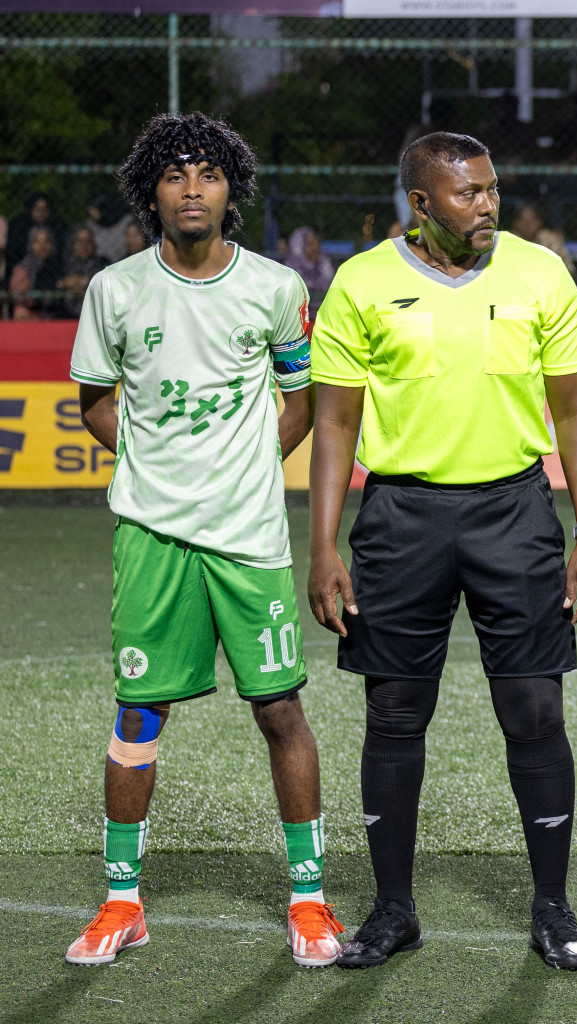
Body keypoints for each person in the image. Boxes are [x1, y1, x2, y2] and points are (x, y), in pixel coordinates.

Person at [307, 131, 577, 971]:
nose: (486, 205)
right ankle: (394, 909)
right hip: (400, 517)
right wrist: (323, 545)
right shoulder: (362, 283)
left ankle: (552, 906)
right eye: (467, 193)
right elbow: (334, 425)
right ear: (420, 202)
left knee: (535, 712)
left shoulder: (539, 272)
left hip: (515, 511)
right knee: (395, 714)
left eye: (490, 189)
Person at [63, 112, 338, 968]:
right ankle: (121, 901)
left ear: (231, 192)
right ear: (151, 190)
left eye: (208, 174)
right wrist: (156, 465)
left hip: (248, 536)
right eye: (175, 174)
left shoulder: (273, 288)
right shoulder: (114, 291)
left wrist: (250, 463)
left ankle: (310, 901)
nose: (191, 188)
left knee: (280, 707)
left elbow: (301, 399)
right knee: (139, 711)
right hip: (151, 535)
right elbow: (96, 403)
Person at [9, 225, 63, 319]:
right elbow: (17, 297)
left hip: (54, 310)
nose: (43, 246)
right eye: (38, 242)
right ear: (32, 244)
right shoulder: (23, 268)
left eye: (46, 241)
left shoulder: (58, 265)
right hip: (31, 310)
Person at [6, 191, 64, 274]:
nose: (41, 213)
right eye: (38, 209)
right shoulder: (19, 227)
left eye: (45, 209)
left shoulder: (56, 227)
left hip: (50, 267)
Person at [511, 202, 576, 275]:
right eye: (523, 220)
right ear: (515, 223)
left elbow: (568, 270)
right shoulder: (509, 242)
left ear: (539, 222)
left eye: (532, 220)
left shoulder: (551, 240)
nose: (528, 225)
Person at [60, 225, 109, 318]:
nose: (84, 245)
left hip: (96, 313)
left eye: (88, 241)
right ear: (74, 244)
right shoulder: (64, 264)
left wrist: (85, 282)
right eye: (80, 241)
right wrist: (65, 283)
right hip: (66, 313)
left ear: (93, 244)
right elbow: (56, 283)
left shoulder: (103, 263)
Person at [284, 226, 336, 307]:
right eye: (310, 244)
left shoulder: (324, 262)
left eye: (317, 242)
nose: (316, 247)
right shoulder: (291, 269)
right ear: (299, 247)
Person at [84, 193, 132, 264]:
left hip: (126, 259)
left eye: (93, 210)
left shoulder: (126, 220)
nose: (91, 214)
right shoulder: (90, 225)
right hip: (101, 263)